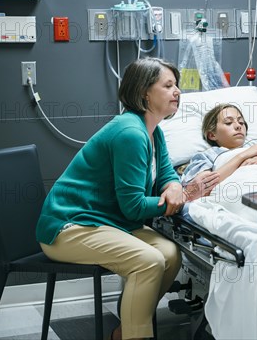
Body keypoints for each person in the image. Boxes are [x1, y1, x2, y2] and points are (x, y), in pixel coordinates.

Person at [36, 57, 219, 340]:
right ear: (145, 92)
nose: (177, 91)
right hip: (68, 226)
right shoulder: (130, 133)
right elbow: (133, 208)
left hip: (107, 221)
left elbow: (166, 171)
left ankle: (126, 331)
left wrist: (172, 186)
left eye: (177, 85)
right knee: (148, 261)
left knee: (170, 255)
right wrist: (183, 196)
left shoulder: (152, 129)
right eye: (168, 85)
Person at [182, 103, 257, 189]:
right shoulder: (208, 156)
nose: (238, 126)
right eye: (228, 123)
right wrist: (242, 156)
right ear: (212, 135)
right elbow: (200, 188)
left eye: (241, 122)